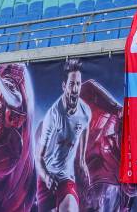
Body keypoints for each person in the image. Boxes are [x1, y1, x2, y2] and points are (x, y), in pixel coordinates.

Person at [36, 59, 91, 212]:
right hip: (46, 178)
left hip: (66, 178)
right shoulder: (52, 117)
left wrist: (81, 160)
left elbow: (84, 128)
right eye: (71, 84)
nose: (75, 89)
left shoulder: (85, 112)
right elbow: (39, 157)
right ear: (64, 86)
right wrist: (46, 177)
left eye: (78, 84)